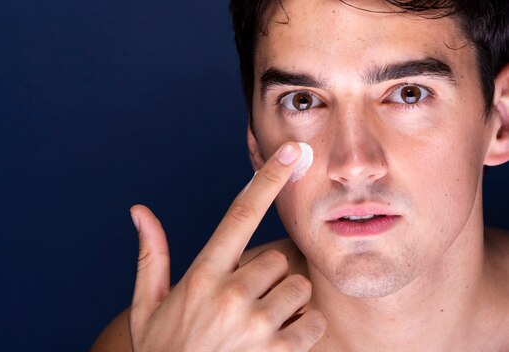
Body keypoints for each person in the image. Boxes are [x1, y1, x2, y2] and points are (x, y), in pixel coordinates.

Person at [92, 0, 509, 350]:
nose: (353, 164)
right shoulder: (159, 343)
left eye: (409, 93)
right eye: (303, 100)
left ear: (501, 122)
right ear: (257, 141)